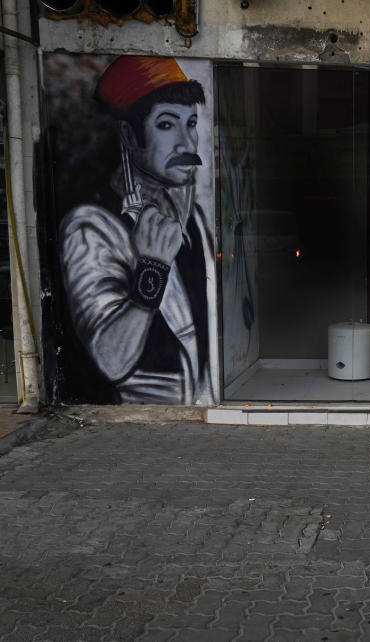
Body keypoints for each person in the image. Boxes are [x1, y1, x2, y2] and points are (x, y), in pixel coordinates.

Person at [59, 56, 214, 404]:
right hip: (140, 428)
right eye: (165, 124)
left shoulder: (193, 219)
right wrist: (152, 269)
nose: (187, 144)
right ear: (129, 135)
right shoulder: (92, 227)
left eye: (190, 123)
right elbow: (111, 362)